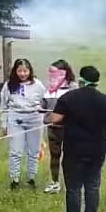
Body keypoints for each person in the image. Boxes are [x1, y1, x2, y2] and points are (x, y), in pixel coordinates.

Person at [51, 65, 106, 212]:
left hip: (74, 149)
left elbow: (55, 119)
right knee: (92, 186)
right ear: (97, 81)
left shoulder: (68, 98)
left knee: (74, 187)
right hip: (98, 149)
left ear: (81, 80)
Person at [0, 57, 45, 190]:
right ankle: (15, 179)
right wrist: (4, 124)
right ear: (15, 71)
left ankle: (32, 178)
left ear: (30, 71)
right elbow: (4, 105)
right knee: (15, 151)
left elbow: (45, 101)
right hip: (15, 119)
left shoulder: (37, 85)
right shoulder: (9, 85)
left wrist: (40, 108)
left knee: (34, 150)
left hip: (34, 119)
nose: (23, 74)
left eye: (25, 71)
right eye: (20, 71)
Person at [42, 59, 78, 193]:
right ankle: (55, 182)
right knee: (54, 155)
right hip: (52, 127)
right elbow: (44, 103)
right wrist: (40, 107)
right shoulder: (50, 87)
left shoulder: (73, 87)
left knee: (70, 156)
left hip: (68, 128)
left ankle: (72, 182)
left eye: (55, 72)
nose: (52, 75)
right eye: (50, 72)